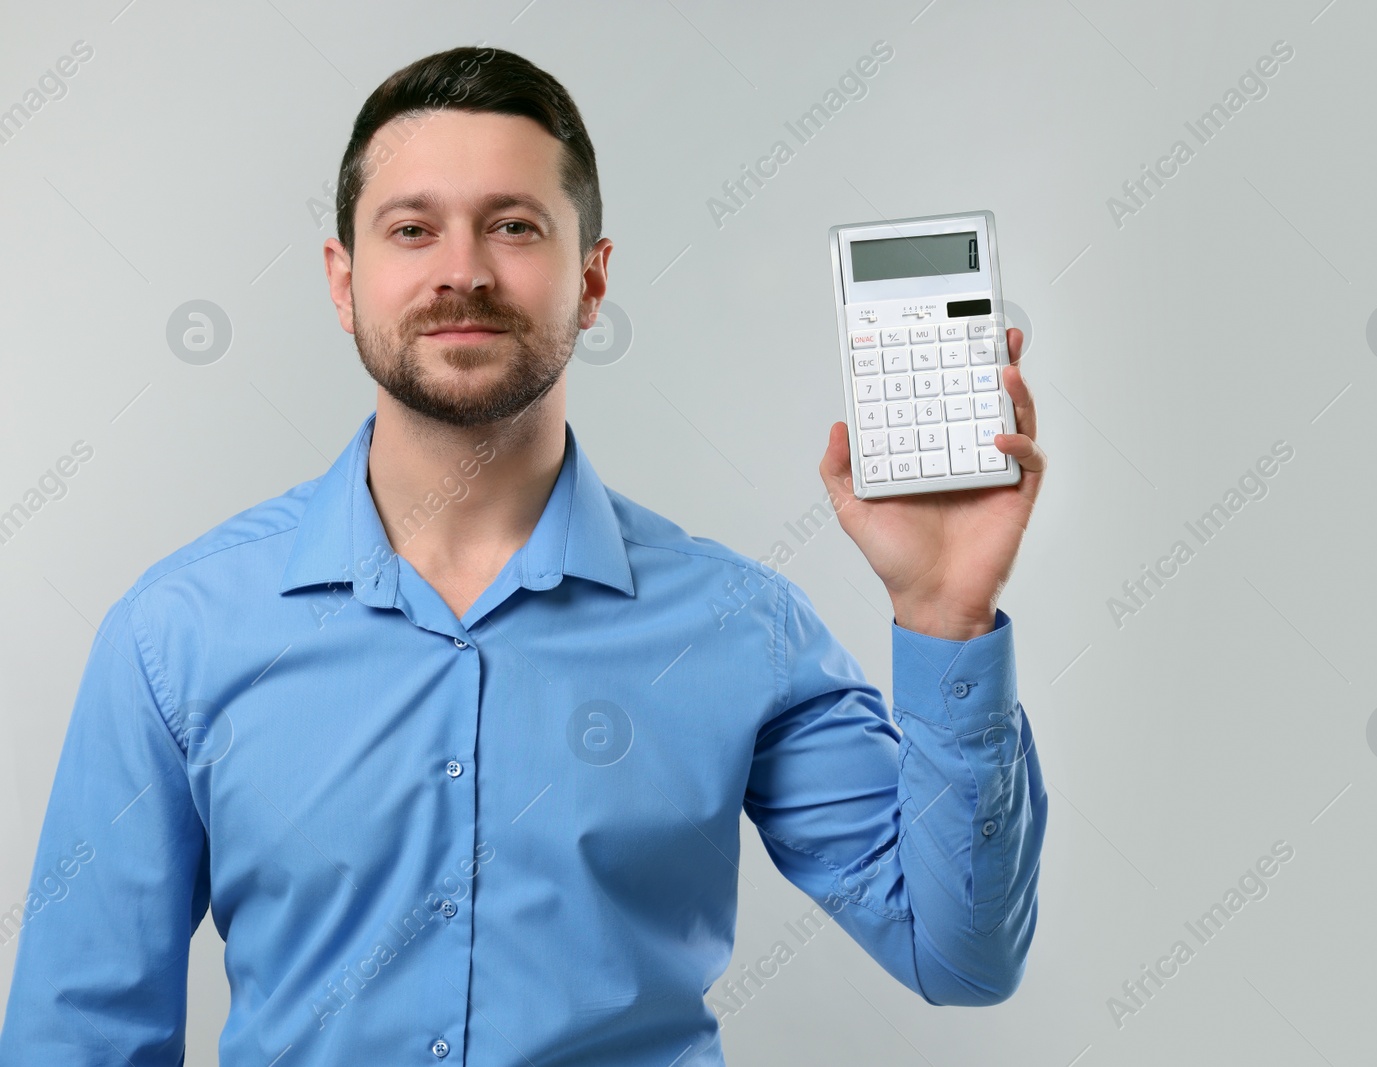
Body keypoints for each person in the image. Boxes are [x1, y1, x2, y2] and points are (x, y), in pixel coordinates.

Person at [0, 44, 1048, 1066]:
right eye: (412, 229)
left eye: (513, 226)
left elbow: (958, 952)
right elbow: (78, 1037)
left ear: (590, 281)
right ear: (342, 279)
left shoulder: (741, 629)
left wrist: (943, 615)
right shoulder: (175, 633)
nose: (462, 271)